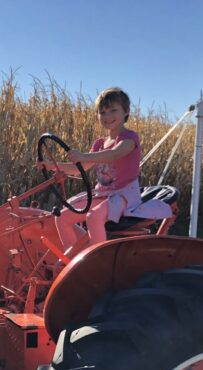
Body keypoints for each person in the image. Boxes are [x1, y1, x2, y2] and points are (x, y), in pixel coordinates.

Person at [37, 87, 142, 255]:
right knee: (62, 217)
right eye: (102, 112)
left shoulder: (129, 138)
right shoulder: (99, 144)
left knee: (93, 217)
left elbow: (114, 155)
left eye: (113, 110)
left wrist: (84, 156)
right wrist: (50, 165)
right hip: (102, 195)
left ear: (126, 111)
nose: (107, 116)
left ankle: (96, 261)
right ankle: (73, 260)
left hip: (124, 195)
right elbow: (79, 168)